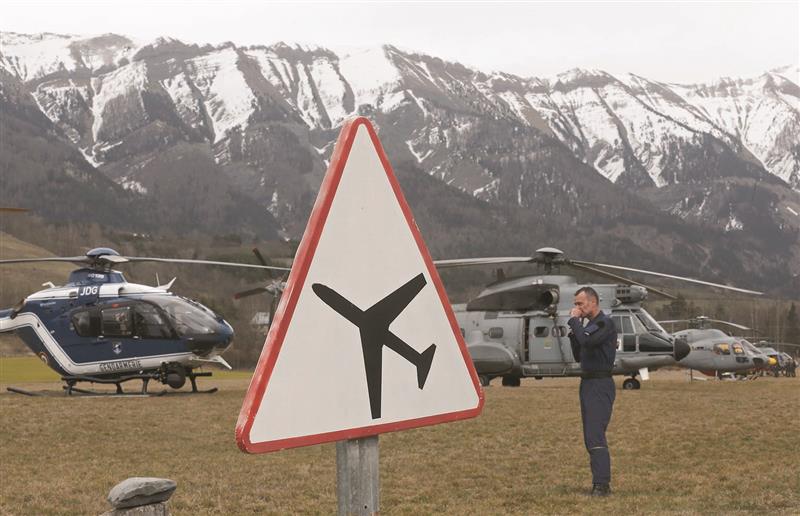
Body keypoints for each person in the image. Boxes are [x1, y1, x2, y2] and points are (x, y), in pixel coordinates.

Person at [568, 286, 617, 497]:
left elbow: (587, 340)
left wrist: (574, 322)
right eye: (576, 304)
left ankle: (602, 485)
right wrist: (574, 331)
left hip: (600, 383)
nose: (577, 308)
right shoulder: (589, 326)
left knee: (595, 434)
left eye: (580, 303)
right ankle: (599, 481)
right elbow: (579, 354)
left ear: (593, 302)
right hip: (587, 383)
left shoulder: (603, 324)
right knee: (590, 435)